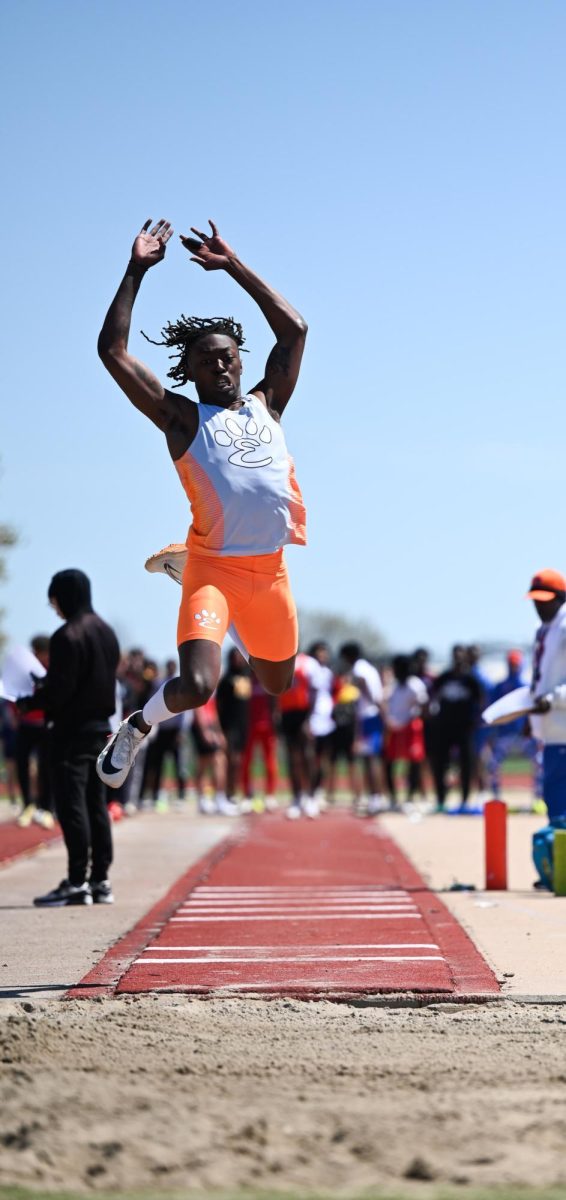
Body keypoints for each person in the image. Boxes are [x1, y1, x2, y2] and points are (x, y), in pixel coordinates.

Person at [96, 217, 307, 792]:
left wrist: (233, 265)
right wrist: (136, 270)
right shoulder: (182, 419)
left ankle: (204, 590)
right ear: (186, 371)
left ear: (243, 361)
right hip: (214, 568)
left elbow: (294, 332)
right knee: (197, 685)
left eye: (230, 355)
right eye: (208, 358)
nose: (222, 363)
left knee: (277, 683)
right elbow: (112, 351)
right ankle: (138, 725)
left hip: (269, 572)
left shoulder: (269, 404)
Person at [18, 571, 120, 906]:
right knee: (96, 803)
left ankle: (77, 880)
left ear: (65, 596)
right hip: (99, 729)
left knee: (71, 803)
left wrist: (31, 699)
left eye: (55, 602)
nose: (56, 609)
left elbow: (61, 692)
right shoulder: (107, 633)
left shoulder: (66, 636)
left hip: (70, 732)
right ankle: (100, 881)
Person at [524, 570, 566, 888]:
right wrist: (531, 715)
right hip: (551, 730)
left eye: (545, 601)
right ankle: (557, 867)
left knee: (561, 802)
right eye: (536, 602)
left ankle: (561, 870)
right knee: (554, 800)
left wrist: (552, 700)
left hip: (563, 725)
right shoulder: (545, 630)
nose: (539, 607)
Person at [427, 644, 482, 810]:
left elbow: (481, 701)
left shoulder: (471, 680)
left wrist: (476, 721)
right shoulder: (444, 678)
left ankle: (464, 800)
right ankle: (441, 800)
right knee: (440, 763)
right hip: (444, 728)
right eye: (455, 656)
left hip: (465, 729)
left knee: (466, 764)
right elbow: (431, 697)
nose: (458, 659)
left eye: (461, 656)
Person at [485, 650, 540, 803]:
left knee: (539, 764)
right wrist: (490, 734)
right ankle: (496, 799)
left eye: (515, 664)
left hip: (524, 735)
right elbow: (492, 711)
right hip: (504, 734)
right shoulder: (499, 687)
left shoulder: (526, 686)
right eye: (511, 664)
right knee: (493, 765)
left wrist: (535, 732)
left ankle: (538, 799)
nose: (513, 667)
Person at [338, 642, 386, 815]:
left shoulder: (358, 670)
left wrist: (373, 704)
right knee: (369, 758)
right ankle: (375, 797)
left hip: (369, 716)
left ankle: (376, 798)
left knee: (371, 759)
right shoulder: (368, 667)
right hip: (370, 715)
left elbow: (366, 687)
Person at [383, 655, 428, 807]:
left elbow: (423, 704)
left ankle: (409, 798)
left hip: (410, 727)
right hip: (394, 727)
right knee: (389, 761)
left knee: (414, 761)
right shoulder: (394, 685)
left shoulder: (415, 684)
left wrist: (413, 717)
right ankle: (393, 798)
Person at [216, 647, 252, 804]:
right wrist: (220, 729)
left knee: (240, 761)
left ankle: (237, 791)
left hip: (244, 724)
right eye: (235, 656)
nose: (238, 659)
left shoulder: (248, 677)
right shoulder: (226, 680)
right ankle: (228, 793)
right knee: (232, 760)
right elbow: (219, 705)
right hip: (229, 725)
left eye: (240, 656)